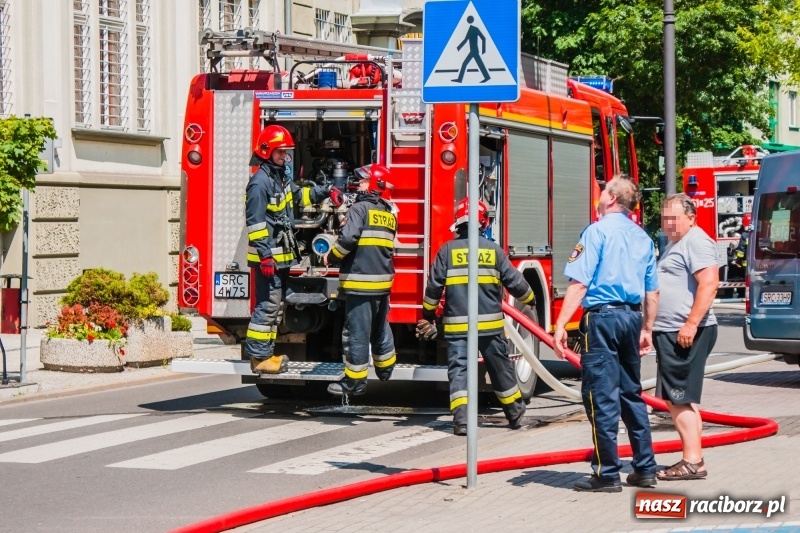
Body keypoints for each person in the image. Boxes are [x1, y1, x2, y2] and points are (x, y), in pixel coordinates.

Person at [553, 173, 660, 493]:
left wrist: (560, 325)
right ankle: (645, 468)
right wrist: (647, 329)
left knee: (600, 397)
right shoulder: (643, 238)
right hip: (630, 318)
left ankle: (607, 473)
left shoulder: (596, 232)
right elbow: (652, 293)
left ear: (611, 198)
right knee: (631, 393)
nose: (599, 193)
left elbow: (580, 283)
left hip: (603, 319)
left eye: (603, 189)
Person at [416, 197, 536, 436]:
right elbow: (516, 283)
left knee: (459, 371)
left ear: (458, 223)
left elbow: (433, 288)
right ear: (482, 222)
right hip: (490, 328)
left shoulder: (447, 251)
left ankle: (461, 421)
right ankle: (514, 412)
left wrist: (428, 314)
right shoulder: (493, 251)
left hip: (457, 328)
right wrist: (530, 299)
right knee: (500, 368)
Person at [244, 124, 336, 374]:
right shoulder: (260, 183)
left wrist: (325, 191)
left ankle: (266, 354)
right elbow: (256, 224)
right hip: (269, 259)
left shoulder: (279, 178)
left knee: (275, 307)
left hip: (279, 259)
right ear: (266, 151)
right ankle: (259, 359)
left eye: (286, 152)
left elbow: (299, 197)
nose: (285, 157)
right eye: (280, 152)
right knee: (268, 306)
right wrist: (264, 256)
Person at [653, 193, 719, 481]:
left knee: (678, 399)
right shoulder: (675, 243)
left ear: (691, 217)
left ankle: (693, 461)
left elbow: (709, 283)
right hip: (674, 331)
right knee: (680, 399)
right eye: (665, 218)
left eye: (674, 218)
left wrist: (690, 324)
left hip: (685, 332)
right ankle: (693, 457)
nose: (668, 224)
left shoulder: (696, 241)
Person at [323, 164, 398, 396]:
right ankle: (385, 369)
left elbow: (348, 241)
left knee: (355, 333)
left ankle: (354, 383)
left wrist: (331, 256)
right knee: (379, 327)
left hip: (360, 283)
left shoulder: (359, 209)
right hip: (382, 284)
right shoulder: (388, 213)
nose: (359, 185)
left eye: (364, 181)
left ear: (376, 184)